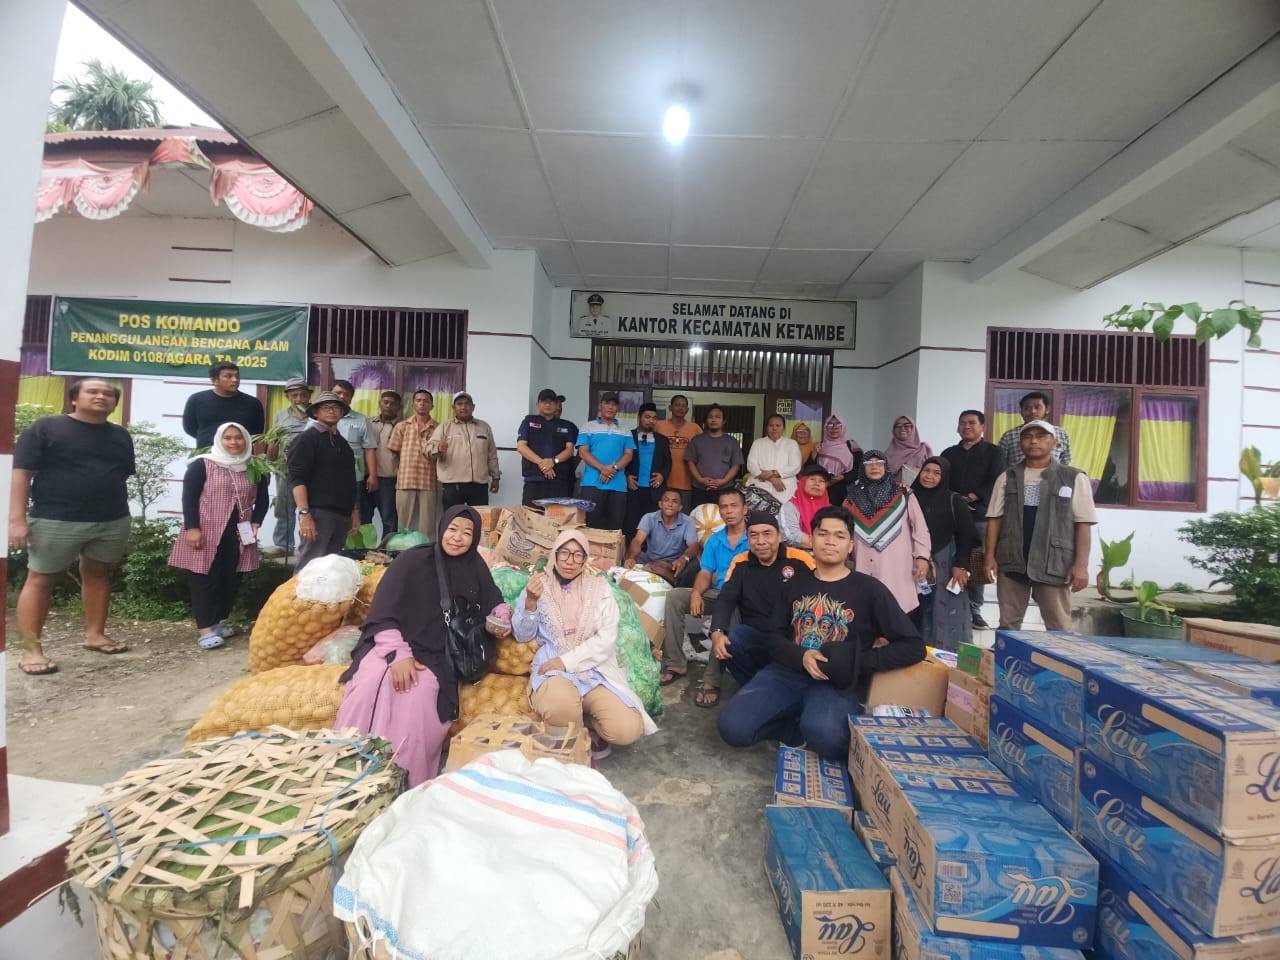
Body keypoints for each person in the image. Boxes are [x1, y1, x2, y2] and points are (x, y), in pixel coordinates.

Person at [717, 506, 924, 763]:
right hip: (787, 672)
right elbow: (773, 637)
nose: (830, 541)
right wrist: (800, 656)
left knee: (827, 738)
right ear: (812, 539)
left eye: (839, 536)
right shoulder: (794, 584)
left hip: (838, 683)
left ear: (850, 545)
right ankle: (793, 729)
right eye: (823, 533)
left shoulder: (870, 590)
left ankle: (809, 722)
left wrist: (856, 663)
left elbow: (913, 646)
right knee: (732, 729)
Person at [336, 506, 510, 787]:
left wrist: (501, 617)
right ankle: (348, 765)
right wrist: (398, 654)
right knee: (371, 680)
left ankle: (403, 781)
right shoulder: (412, 561)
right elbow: (382, 612)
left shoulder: (474, 565)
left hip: (437, 654)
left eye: (467, 533)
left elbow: (495, 601)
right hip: (392, 641)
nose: (458, 538)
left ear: (475, 537)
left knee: (417, 695)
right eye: (453, 530)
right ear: (442, 529)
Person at [9, 378, 136, 675]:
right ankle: (31, 650)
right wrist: (16, 519)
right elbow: (21, 474)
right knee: (40, 579)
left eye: (108, 393)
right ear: (75, 398)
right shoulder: (46, 428)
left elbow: (121, 475)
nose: (101, 396)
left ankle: (95, 635)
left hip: (112, 518)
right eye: (93, 391)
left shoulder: (120, 435)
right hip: (56, 518)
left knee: (98, 574)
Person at [514, 529, 657, 758]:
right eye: (564, 554)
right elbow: (522, 635)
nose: (570, 561)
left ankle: (586, 722)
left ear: (585, 558)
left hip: (593, 668)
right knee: (561, 708)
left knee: (627, 729)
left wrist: (567, 661)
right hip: (553, 667)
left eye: (578, 555)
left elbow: (606, 639)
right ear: (555, 554)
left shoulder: (600, 590)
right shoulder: (538, 586)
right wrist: (530, 602)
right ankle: (574, 733)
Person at [985, 420, 1096, 632]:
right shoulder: (1007, 477)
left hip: (1054, 563)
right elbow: (994, 518)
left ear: (1054, 442)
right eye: (1027, 437)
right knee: (1008, 625)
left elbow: (1083, 523)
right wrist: (990, 557)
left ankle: (1058, 666)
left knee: (1058, 626)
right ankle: (1008, 665)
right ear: (1020, 444)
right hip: (1012, 560)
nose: (1034, 441)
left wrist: (1081, 565)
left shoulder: (1074, 477)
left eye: (1041, 436)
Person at [169, 423, 270, 650]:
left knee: (230, 577)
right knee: (204, 577)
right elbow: (189, 498)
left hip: (238, 532)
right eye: (228, 438)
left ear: (246, 440)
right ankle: (205, 629)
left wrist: (256, 522)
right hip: (206, 530)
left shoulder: (255, 467)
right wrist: (192, 528)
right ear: (219, 440)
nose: (233, 442)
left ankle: (218, 621)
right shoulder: (203, 464)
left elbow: (262, 499)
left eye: (238, 438)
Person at [708, 511, 815, 692]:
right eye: (753, 535)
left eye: (767, 534)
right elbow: (726, 598)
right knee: (730, 639)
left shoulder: (799, 559)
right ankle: (753, 687)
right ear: (748, 539)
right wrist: (717, 631)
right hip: (757, 635)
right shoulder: (741, 562)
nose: (760, 541)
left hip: (792, 639)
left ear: (779, 536)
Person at [661, 487, 748, 696]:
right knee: (674, 597)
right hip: (717, 593)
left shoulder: (755, 538)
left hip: (742, 599)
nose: (728, 511)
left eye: (733, 506)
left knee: (729, 611)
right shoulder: (715, 540)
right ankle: (675, 663)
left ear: (745, 509)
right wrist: (696, 594)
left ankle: (712, 679)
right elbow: (706, 572)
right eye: (724, 507)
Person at [844, 451, 932, 617]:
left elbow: (920, 528)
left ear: (886, 466)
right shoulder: (851, 497)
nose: (874, 466)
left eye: (879, 462)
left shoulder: (903, 494)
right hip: (862, 562)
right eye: (868, 463)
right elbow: (844, 530)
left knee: (897, 609)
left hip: (897, 564)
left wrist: (922, 557)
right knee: (866, 608)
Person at [941, 409, 1004, 628]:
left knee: (976, 562)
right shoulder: (949, 453)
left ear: (982, 426)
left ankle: (975, 609)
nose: (966, 427)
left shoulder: (994, 452)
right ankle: (951, 603)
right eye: (962, 423)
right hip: (951, 514)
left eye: (971, 423)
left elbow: (996, 479)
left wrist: (973, 496)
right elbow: (942, 479)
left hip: (980, 514)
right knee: (952, 558)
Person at [910, 458, 976, 651]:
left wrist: (961, 565)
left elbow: (967, 535)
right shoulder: (909, 498)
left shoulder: (954, 500)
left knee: (946, 610)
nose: (929, 476)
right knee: (918, 608)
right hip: (915, 560)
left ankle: (949, 656)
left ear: (945, 476)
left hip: (946, 562)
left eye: (936, 473)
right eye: (926, 470)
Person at [288, 391, 358, 571]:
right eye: (326, 407)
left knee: (330, 569)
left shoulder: (343, 444)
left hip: (342, 515)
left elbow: (350, 480)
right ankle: (295, 600)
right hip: (318, 513)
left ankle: (322, 601)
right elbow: (297, 478)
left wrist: (354, 510)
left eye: (336, 407)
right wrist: (304, 514)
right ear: (316, 413)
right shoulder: (307, 438)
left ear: (342, 413)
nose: (332, 411)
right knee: (309, 566)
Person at [263, 377, 312, 557]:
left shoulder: (316, 414)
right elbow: (273, 443)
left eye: (302, 395)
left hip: (312, 469)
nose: (299, 399)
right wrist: (269, 465)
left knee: (309, 507)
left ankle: (308, 546)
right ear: (288, 397)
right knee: (284, 505)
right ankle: (284, 544)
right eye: (294, 395)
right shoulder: (280, 416)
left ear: (308, 396)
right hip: (285, 469)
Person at [428, 391, 501, 509]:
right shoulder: (444, 427)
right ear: (453, 408)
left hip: (479, 485)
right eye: (459, 404)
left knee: (480, 521)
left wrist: (496, 477)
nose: (463, 407)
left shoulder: (484, 427)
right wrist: (438, 448)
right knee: (453, 520)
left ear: (473, 407)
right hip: (453, 486)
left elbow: (491, 454)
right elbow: (428, 449)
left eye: (467, 404)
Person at [577, 392, 635, 530]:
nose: (610, 407)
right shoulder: (588, 426)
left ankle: (612, 553)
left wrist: (613, 468)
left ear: (618, 408)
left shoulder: (625, 430)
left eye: (614, 404)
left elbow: (628, 455)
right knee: (590, 526)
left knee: (615, 527)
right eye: (607, 403)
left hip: (618, 486)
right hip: (592, 484)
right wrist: (602, 468)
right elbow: (583, 452)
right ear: (600, 406)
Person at [389, 390, 441, 538]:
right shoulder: (402, 426)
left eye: (426, 401)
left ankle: (426, 556)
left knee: (428, 526)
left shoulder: (438, 428)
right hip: (406, 480)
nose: (422, 403)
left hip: (429, 481)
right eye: (418, 400)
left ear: (432, 405)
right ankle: (402, 555)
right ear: (413, 404)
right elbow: (394, 452)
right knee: (404, 524)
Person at [182, 361, 265, 449]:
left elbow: (256, 433)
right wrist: (213, 441)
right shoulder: (197, 400)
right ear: (214, 380)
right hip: (207, 454)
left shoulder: (252, 403)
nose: (235, 380)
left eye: (237, 376)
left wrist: (235, 445)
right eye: (228, 376)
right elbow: (190, 428)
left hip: (240, 457)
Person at [623, 487, 700, 581]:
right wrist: (631, 558)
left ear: (680, 507)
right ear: (660, 504)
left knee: (695, 563)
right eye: (666, 500)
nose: (670, 504)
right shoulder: (649, 518)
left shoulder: (687, 521)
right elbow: (637, 540)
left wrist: (684, 558)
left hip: (673, 564)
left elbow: (694, 545)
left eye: (675, 501)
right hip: (650, 560)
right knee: (628, 558)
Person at [516, 388, 578, 505]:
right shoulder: (529, 421)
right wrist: (542, 463)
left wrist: (553, 461)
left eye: (551, 402)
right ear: (538, 404)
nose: (548, 404)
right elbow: (521, 447)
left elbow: (570, 450)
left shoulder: (567, 425)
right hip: (534, 481)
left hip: (559, 482)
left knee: (557, 520)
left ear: (556, 405)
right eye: (544, 401)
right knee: (531, 518)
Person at [328, 379, 379, 518]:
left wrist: (373, 475)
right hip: (325, 477)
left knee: (354, 514)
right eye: (338, 393)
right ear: (330, 394)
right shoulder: (318, 419)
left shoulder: (361, 420)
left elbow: (369, 449)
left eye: (347, 394)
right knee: (328, 514)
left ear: (351, 399)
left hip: (354, 476)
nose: (342, 396)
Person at [624, 403, 671, 539]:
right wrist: (626, 476)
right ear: (639, 417)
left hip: (655, 491)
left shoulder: (662, 440)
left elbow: (668, 462)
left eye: (654, 418)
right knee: (631, 525)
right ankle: (630, 556)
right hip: (634, 489)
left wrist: (662, 475)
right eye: (647, 417)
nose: (651, 420)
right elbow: (620, 460)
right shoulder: (628, 436)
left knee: (653, 527)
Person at [686, 405, 744, 508]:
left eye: (717, 417)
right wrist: (700, 479)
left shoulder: (732, 442)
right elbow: (690, 462)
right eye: (710, 417)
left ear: (723, 421)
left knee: (723, 520)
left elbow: (736, 465)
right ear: (706, 420)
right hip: (700, 489)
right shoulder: (696, 440)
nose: (713, 419)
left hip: (725, 490)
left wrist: (723, 481)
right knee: (698, 519)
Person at [997, 391, 1072, 468]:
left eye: (1037, 407)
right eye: (1027, 408)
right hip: (1018, 478)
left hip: (1053, 478)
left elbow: (1066, 461)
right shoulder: (1009, 435)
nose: (1033, 411)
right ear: (1021, 412)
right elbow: (1000, 463)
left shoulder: (1060, 433)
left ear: (1047, 409)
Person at [654, 394, 702, 512]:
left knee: (683, 517)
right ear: (670, 408)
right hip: (662, 480)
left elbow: (703, 451)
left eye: (683, 406)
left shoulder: (695, 428)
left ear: (687, 409)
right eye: (677, 405)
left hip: (687, 481)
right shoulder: (658, 425)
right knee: (662, 515)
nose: (680, 408)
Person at [746, 414, 803, 506]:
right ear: (766, 428)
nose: (774, 428)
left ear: (783, 428)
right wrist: (772, 479)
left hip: (785, 488)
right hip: (760, 486)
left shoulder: (791, 444)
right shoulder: (758, 443)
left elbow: (795, 467)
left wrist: (774, 473)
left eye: (778, 425)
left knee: (783, 516)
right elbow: (751, 465)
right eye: (771, 425)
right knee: (760, 516)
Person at [367, 391, 402, 534]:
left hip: (389, 480)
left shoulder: (403, 427)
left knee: (389, 518)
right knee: (364, 517)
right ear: (379, 404)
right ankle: (362, 552)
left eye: (393, 404)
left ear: (399, 407)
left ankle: (387, 552)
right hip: (366, 478)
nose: (388, 406)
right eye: (385, 402)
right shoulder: (368, 423)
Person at [779, 462, 832, 549]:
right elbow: (791, 536)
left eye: (822, 481)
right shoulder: (789, 507)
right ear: (802, 482)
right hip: (798, 556)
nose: (817, 483)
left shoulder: (831, 510)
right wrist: (826, 545)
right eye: (812, 479)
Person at [816, 414, 862, 509]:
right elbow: (811, 468)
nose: (834, 428)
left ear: (843, 427)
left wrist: (843, 477)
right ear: (825, 428)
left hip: (846, 489)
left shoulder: (852, 446)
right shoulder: (819, 446)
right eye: (830, 425)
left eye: (838, 425)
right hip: (824, 487)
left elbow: (860, 469)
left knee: (845, 518)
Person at [885, 415, 933, 485]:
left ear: (913, 428)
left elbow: (932, 473)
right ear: (893, 430)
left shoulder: (925, 449)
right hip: (894, 493)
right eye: (898, 426)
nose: (902, 428)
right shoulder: (887, 454)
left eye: (907, 425)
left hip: (920, 493)